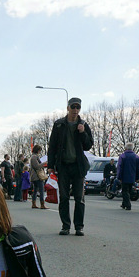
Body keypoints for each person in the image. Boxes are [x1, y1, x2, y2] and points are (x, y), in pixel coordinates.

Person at [47, 97, 94, 236]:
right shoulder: (59, 124)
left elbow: (88, 145)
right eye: (72, 107)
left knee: (79, 198)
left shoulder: (83, 125)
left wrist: (82, 132)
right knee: (64, 197)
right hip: (63, 166)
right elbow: (52, 147)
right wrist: (50, 166)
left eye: (77, 107)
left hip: (78, 166)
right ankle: (65, 226)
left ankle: (79, 227)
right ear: (67, 108)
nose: (75, 110)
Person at [116, 142, 139, 211]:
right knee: (129, 190)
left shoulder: (123, 156)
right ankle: (124, 204)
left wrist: (119, 177)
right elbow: (138, 168)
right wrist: (137, 177)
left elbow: (120, 167)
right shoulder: (136, 157)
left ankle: (127, 204)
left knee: (125, 191)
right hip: (132, 176)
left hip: (124, 176)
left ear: (126, 148)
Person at [29, 145, 48, 210]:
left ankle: (34, 203)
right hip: (36, 176)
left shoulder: (33, 157)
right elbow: (36, 166)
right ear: (37, 150)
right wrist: (44, 163)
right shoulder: (34, 157)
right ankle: (42, 204)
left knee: (35, 190)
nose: (40, 151)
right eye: (40, 150)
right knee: (41, 190)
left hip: (34, 176)